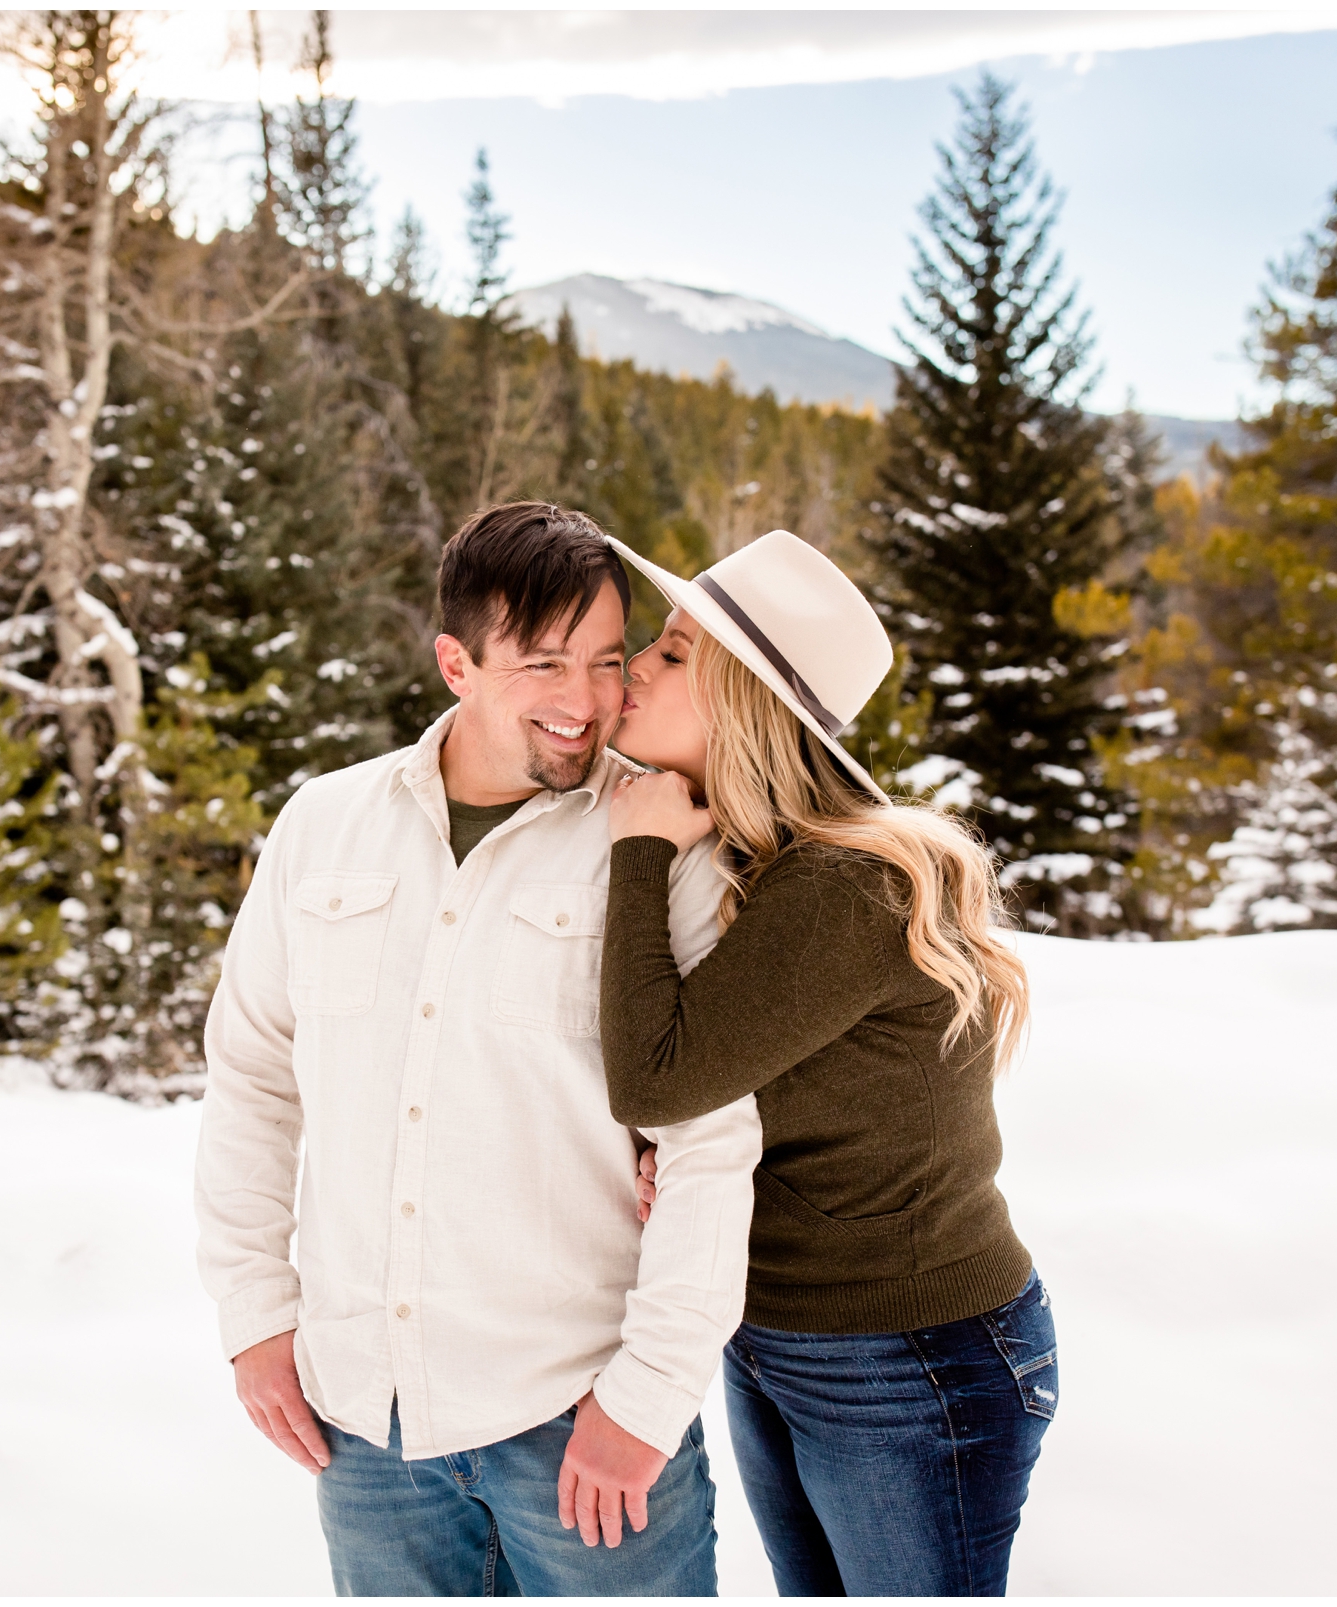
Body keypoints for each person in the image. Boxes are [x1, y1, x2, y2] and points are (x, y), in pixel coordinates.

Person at [195, 502, 763, 1597]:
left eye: (607, 660)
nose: (586, 701)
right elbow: (256, 1078)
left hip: (583, 1427)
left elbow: (710, 1141)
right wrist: (256, 1312)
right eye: (543, 662)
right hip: (367, 1428)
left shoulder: (660, 846)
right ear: (456, 661)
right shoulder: (324, 823)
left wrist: (647, 1397)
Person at [599, 529, 1053, 1598]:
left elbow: (658, 1074)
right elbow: (704, 1079)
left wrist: (638, 848)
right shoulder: (754, 862)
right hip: (784, 1336)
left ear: (744, 704)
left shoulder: (842, 884)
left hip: (908, 1358)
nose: (636, 671)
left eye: (670, 654)